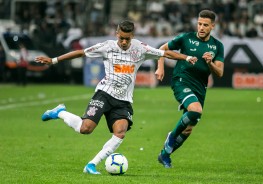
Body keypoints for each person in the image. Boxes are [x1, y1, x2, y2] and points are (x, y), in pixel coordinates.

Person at [34, 20, 197, 174]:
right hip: (104, 94)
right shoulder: (107, 46)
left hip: (124, 101)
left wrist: (186, 57)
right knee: (85, 129)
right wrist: (53, 60)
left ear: (132, 36)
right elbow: (80, 53)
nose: (124, 42)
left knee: (120, 132)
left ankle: (91, 165)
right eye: (121, 38)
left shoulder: (140, 48)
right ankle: (59, 112)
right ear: (116, 33)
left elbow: (166, 53)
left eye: (127, 39)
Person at [155, 10, 224, 168]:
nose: (201, 27)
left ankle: (165, 154)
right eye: (199, 24)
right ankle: (171, 137)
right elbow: (162, 49)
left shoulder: (217, 46)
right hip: (182, 81)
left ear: (212, 26)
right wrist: (160, 67)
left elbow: (219, 72)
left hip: (200, 87)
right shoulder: (186, 38)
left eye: (205, 25)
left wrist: (210, 63)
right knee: (196, 110)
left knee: (188, 129)